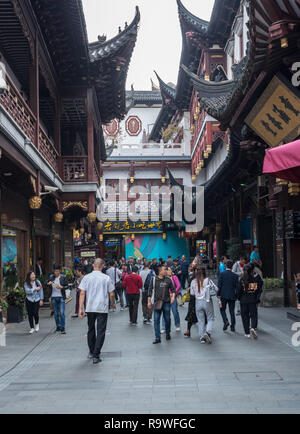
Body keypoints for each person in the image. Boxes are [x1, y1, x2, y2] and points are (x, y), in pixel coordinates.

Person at [79, 258, 115, 364]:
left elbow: (82, 293)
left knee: (91, 329)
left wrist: (80, 308)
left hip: (90, 307)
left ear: (93, 265)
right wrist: (112, 303)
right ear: (103, 266)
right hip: (102, 307)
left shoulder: (86, 277)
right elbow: (112, 293)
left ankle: (91, 351)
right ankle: (96, 354)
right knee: (100, 331)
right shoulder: (106, 278)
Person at [147, 265, 176, 344]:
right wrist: (149, 302)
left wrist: (173, 297)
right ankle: (157, 337)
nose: (166, 271)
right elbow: (149, 291)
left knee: (167, 319)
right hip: (157, 302)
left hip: (166, 302)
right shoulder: (153, 279)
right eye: (164, 270)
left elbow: (173, 290)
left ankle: (167, 333)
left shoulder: (168, 280)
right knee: (156, 320)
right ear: (160, 271)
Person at [191, 267, 218, 344]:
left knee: (200, 320)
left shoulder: (193, 281)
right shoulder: (208, 280)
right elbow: (216, 289)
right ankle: (208, 332)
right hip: (207, 301)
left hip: (198, 302)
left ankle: (202, 337)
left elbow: (192, 293)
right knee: (210, 318)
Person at [237, 263, 263, 339]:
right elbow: (257, 289)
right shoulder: (254, 278)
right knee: (253, 315)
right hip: (252, 300)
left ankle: (247, 333)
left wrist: (239, 298)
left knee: (244, 316)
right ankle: (253, 328)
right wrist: (256, 297)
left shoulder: (241, 279)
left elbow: (239, 290)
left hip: (243, 300)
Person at [217, 260, 239, 332]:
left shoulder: (222, 274)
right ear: (232, 266)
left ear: (226, 266)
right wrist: (236, 296)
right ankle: (233, 326)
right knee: (232, 311)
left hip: (223, 295)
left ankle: (225, 321)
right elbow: (237, 287)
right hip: (232, 295)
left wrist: (218, 294)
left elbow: (219, 285)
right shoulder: (235, 276)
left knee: (222, 309)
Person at [47, 265, 69, 334]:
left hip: (61, 297)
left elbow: (67, 286)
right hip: (53, 297)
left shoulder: (63, 277)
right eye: (55, 271)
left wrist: (62, 287)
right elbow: (45, 283)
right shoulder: (51, 277)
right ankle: (58, 327)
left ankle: (63, 327)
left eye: (57, 271)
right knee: (56, 313)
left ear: (60, 271)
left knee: (62, 313)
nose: (56, 272)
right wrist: (48, 283)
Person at [161, 267, 181, 332]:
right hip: (165, 297)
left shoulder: (174, 277)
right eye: (167, 270)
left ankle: (177, 324)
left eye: (169, 270)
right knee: (165, 312)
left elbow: (178, 286)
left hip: (173, 296)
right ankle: (163, 327)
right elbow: (161, 286)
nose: (168, 271)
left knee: (174, 311)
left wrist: (174, 293)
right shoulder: (163, 278)